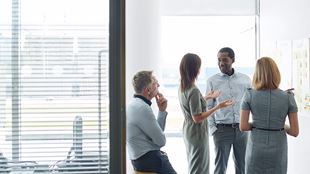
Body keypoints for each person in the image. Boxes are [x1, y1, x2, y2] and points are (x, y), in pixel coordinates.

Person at [239, 57, 299, 174]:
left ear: (257, 74)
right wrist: (283, 126)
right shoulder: (288, 97)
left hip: (256, 148)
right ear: (276, 73)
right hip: (278, 150)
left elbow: (243, 126)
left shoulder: (249, 95)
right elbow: (294, 131)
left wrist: (256, 124)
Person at [178, 53, 234, 174]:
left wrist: (207, 97)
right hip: (197, 132)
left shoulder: (183, 87)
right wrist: (218, 107)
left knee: (194, 163)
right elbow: (197, 117)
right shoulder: (193, 90)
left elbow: (192, 105)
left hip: (189, 130)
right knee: (199, 166)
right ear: (195, 68)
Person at [206, 47, 251, 174]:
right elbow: (208, 107)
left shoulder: (245, 80)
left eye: (224, 59)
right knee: (220, 168)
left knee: (242, 167)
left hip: (242, 130)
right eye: (219, 60)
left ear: (233, 60)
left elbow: (251, 103)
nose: (221, 63)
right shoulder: (212, 81)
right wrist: (213, 128)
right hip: (221, 130)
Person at [126, 70, 177, 174]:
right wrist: (154, 142)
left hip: (138, 160)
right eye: (155, 83)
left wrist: (162, 111)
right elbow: (161, 141)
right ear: (147, 90)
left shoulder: (133, 104)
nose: (158, 85)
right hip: (149, 160)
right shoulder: (143, 108)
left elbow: (158, 135)